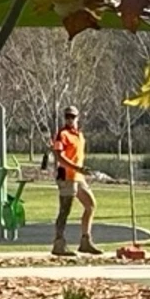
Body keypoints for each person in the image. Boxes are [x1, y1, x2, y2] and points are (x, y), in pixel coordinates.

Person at [50, 106, 99, 256]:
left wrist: (80, 170)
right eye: (67, 117)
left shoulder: (79, 135)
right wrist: (76, 168)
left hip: (78, 177)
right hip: (66, 176)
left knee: (90, 205)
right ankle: (59, 243)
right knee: (65, 210)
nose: (70, 119)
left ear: (78, 117)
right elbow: (59, 156)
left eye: (72, 117)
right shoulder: (62, 134)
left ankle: (85, 241)